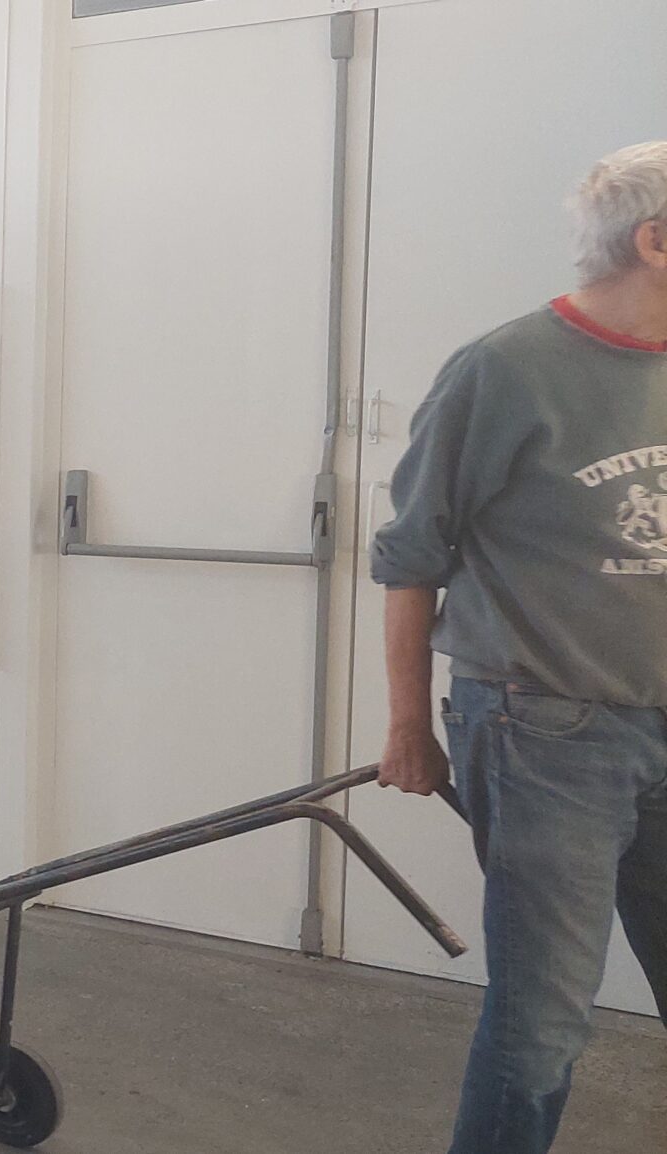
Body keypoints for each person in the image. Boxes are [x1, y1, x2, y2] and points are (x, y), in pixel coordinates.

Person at [372, 140, 667, 1154]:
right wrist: (409, 725)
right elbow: (411, 555)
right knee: (542, 1025)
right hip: (545, 732)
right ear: (655, 241)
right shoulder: (503, 371)